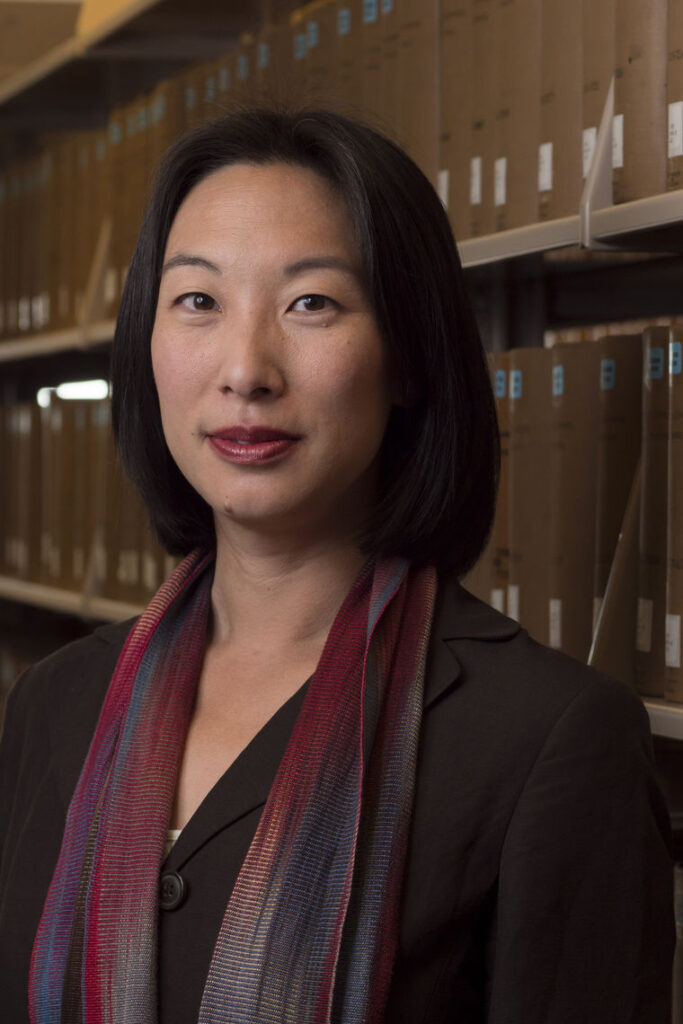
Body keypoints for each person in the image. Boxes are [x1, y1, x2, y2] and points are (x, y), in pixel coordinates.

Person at [0, 107, 674, 1023]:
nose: (246, 368)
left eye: (311, 302)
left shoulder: (549, 739)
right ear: (145, 346)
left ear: (409, 358)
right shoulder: (55, 704)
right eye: (197, 300)